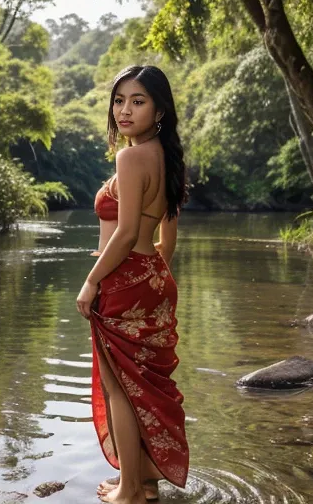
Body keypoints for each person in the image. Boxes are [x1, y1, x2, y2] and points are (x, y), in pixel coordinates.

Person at [76, 65, 189, 504]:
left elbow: (124, 234)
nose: (124, 110)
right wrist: (151, 273)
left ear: (158, 108)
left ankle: (129, 491)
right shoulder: (167, 154)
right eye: (119, 100)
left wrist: (92, 281)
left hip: (123, 280)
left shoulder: (130, 157)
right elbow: (169, 236)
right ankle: (146, 481)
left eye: (137, 101)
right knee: (144, 384)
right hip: (152, 278)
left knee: (120, 387)